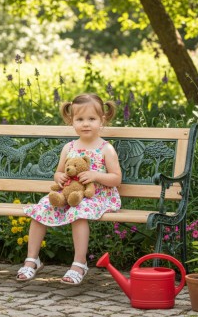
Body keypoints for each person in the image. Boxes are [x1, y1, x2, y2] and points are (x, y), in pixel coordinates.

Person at [17, 93, 122, 285]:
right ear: (71, 120)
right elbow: (58, 173)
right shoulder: (69, 147)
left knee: (78, 211)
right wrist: (59, 177)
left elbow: (116, 178)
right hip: (68, 193)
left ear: (102, 120)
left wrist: (95, 175)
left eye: (92, 119)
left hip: (96, 196)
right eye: (80, 119)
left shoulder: (106, 148)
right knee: (42, 207)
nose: (86, 124)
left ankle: (79, 263)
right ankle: (32, 259)